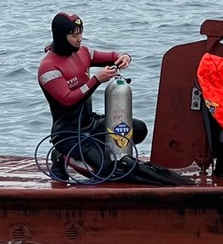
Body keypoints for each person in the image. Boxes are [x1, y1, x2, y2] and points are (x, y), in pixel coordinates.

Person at [37, 12, 148, 180]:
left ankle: (95, 147)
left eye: (81, 33)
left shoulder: (83, 53)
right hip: (67, 132)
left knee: (138, 129)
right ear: (61, 36)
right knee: (106, 168)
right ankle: (61, 154)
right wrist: (97, 79)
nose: (80, 39)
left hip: (91, 123)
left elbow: (112, 56)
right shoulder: (48, 68)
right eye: (74, 35)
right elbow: (67, 100)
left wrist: (124, 57)